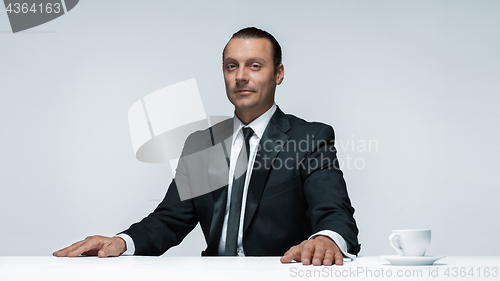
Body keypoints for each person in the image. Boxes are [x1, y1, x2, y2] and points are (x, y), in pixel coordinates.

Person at [53, 27, 360, 266]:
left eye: (255, 65)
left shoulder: (310, 138)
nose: (241, 76)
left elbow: (335, 212)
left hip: (279, 273)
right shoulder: (202, 144)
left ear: (278, 74)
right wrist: (121, 242)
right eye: (231, 66)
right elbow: (170, 220)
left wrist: (327, 239)